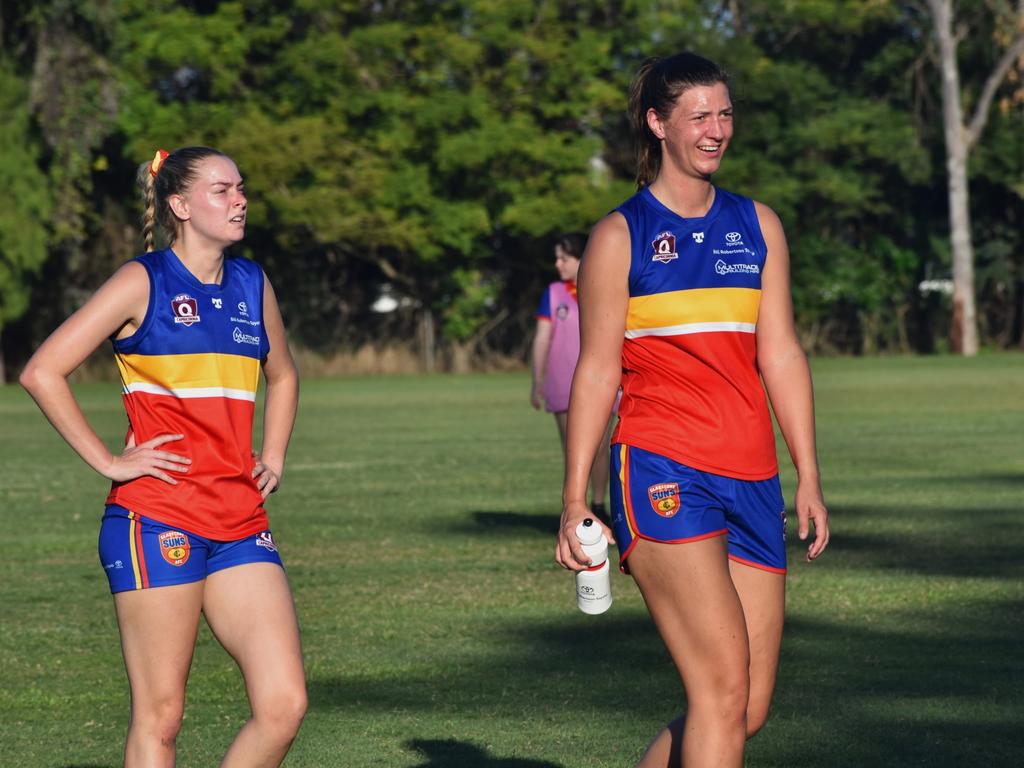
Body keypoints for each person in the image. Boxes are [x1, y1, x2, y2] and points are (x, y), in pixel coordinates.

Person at [555, 53, 830, 767]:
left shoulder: (757, 225)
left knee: (747, 706)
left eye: (725, 113)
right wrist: (572, 495)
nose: (717, 130)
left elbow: (782, 355)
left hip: (752, 475)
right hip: (661, 467)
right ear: (658, 123)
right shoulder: (621, 237)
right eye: (700, 115)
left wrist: (810, 475)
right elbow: (594, 371)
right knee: (717, 689)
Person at [19, 147, 306, 767]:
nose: (240, 200)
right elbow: (43, 371)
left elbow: (282, 375)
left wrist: (274, 456)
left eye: (241, 188)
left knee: (283, 705)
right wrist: (109, 461)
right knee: (162, 717)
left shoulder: (253, 284)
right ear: (179, 205)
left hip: (239, 520)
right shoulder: (141, 280)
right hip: (155, 519)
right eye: (222, 190)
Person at [530, 233, 615, 524]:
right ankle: (574, 508)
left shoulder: (606, 288)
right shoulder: (553, 294)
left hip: (604, 384)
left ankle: (600, 503)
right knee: (574, 450)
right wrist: (536, 381)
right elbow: (542, 339)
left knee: (602, 447)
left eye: (564, 258)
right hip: (562, 386)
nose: (558, 264)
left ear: (582, 259)